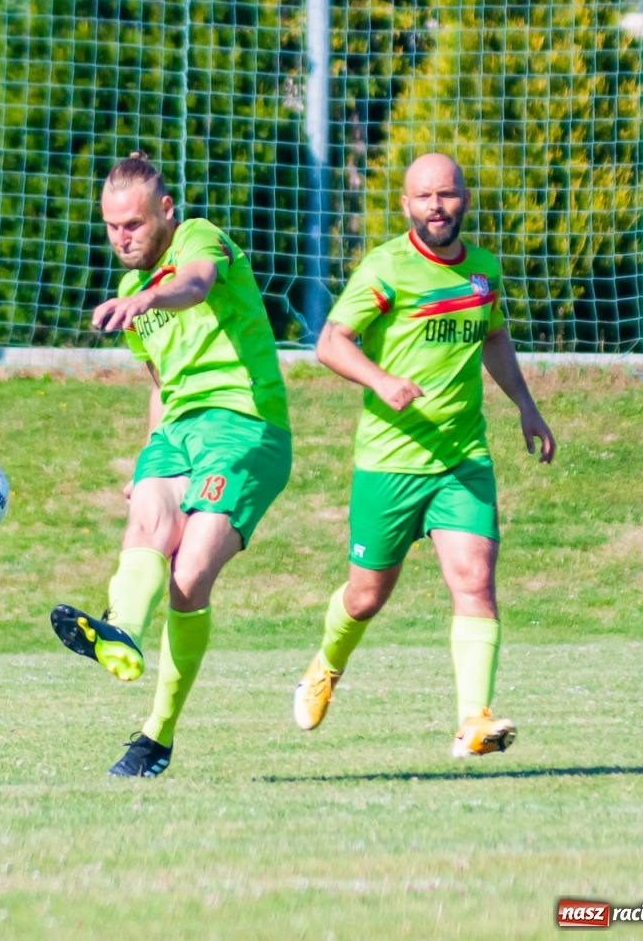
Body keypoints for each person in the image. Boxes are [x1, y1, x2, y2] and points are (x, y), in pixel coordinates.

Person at [293, 152, 554, 757]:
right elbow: (331, 342)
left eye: (448, 194)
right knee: (365, 597)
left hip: (462, 458)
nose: (437, 206)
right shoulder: (387, 268)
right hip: (389, 463)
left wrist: (526, 405)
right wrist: (382, 381)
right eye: (424, 197)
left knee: (475, 581)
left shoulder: (483, 271)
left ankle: (474, 722)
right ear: (407, 205)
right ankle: (326, 665)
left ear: (465, 198)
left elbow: (493, 337)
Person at [49, 151, 292, 777]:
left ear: (164, 211)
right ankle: (119, 628)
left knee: (187, 579)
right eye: (110, 227)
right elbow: (161, 382)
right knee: (150, 515)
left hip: (245, 426)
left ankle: (157, 735)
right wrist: (145, 457)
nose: (121, 238)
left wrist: (149, 297)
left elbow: (196, 285)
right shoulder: (133, 292)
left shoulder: (196, 238)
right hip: (179, 429)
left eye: (132, 224)